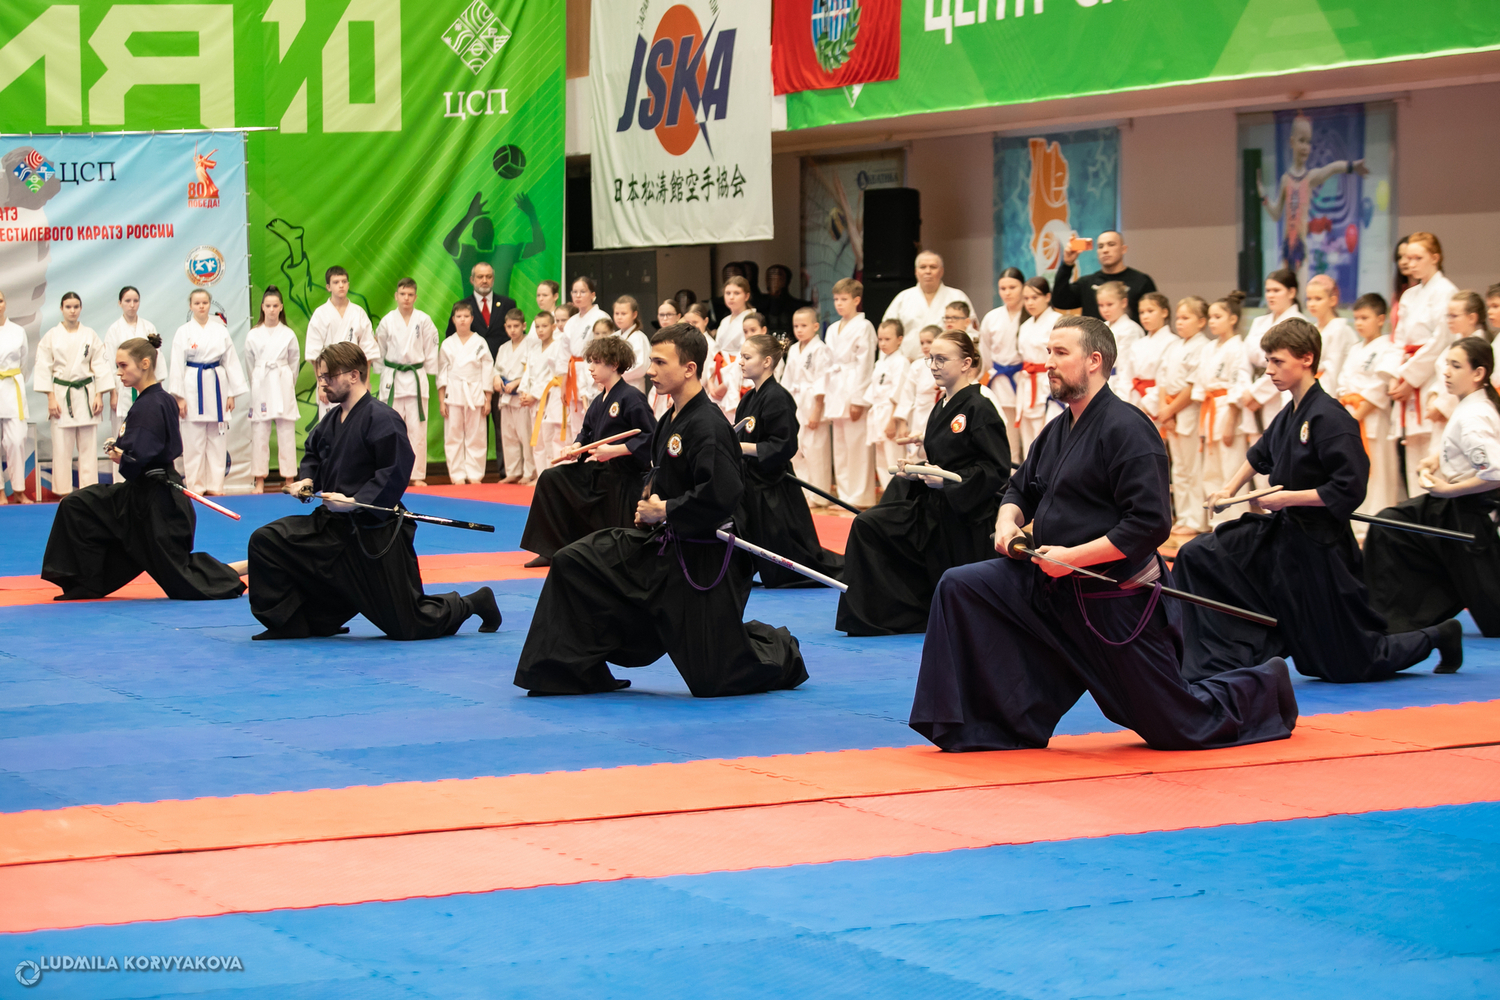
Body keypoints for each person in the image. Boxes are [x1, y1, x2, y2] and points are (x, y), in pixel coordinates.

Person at [908, 316, 1297, 753]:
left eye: (1060, 353)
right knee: (961, 586)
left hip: (1114, 598)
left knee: (1179, 725)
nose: (1048, 362)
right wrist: (1006, 521)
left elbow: (1149, 523)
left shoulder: (1127, 428)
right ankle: (987, 725)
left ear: (1094, 361)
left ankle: (1266, 684)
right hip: (1051, 584)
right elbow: (1021, 488)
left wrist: (1074, 558)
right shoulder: (1059, 428)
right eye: (1048, 352)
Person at [513, 323, 807, 698]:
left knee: (716, 680)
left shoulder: (708, 424)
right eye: (651, 361)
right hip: (661, 545)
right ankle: (569, 671)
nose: (650, 370)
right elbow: (661, 473)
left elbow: (722, 494)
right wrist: (649, 499)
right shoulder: (670, 418)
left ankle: (779, 647)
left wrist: (666, 509)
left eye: (659, 362)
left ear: (689, 368)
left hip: (702, 558)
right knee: (573, 561)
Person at [1174, 318, 1462, 684]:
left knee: (1348, 663)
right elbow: (1261, 453)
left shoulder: (1330, 416)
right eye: (1268, 361)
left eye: (1277, 361)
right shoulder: (1292, 411)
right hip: (1280, 535)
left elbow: (1349, 487)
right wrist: (1229, 489)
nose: (1269, 370)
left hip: (1320, 544)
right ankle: (1213, 657)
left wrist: (1288, 498)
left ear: (1306, 359)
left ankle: (1439, 635)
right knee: (1198, 556)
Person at [249, 342, 501, 640]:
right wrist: (307, 481)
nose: (323, 383)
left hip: (373, 531)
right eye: (321, 377)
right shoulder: (332, 419)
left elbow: (395, 469)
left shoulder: (382, 418)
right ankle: (296, 622)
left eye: (329, 376)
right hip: (331, 527)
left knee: (409, 625)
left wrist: (355, 501)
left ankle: (474, 602)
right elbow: (313, 454)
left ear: (354, 375)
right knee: (266, 541)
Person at [41, 332, 246, 601]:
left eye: (123, 365)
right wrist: (122, 451)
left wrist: (123, 457)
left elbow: (141, 456)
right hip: (139, 494)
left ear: (145, 364)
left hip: (157, 504)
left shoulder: (151, 403)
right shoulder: (155, 399)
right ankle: (87, 581)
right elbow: (145, 447)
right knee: (78, 505)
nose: (118, 372)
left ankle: (246, 565)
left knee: (183, 580)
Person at [837, 329, 1011, 636]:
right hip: (933, 505)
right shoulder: (942, 404)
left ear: (966, 363)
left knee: (870, 525)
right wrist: (916, 470)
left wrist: (947, 483)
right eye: (931, 358)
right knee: (868, 524)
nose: (934, 366)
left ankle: (902, 612)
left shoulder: (979, 406)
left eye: (942, 359)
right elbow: (944, 459)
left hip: (963, 515)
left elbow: (995, 469)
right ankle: (879, 612)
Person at [1364, 337, 1500, 639]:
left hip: (1468, 510)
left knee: (1495, 617)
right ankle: (1391, 617)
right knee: (1390, 524)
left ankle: (1398, 617)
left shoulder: (1474, 414)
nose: (1446, 372)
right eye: (1447, 364)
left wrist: (1447, 490)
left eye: (1456, 366)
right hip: (1457, 504)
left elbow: (1494, 474)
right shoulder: (1473, 406)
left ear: (1478, 373)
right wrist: (1435, 459)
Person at [519, 333, 654, 567]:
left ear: (614, 364)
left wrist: (616, 450)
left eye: (596, 362)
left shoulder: (632, 397)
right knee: (551, 478)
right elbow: (587, 432)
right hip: (600, 471)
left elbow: (650, 437)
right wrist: (576, 447)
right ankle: (551, 548)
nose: (590, 367)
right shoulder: (599, 399)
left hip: (624, 476)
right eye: (590, 361)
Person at [733, 333, 844, 587]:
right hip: (749, 483)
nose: (741, 362)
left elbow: (784, 445)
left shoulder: (777, 397)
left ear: (766, 362)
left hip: (773, 486)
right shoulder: (749, 398)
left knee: (794, 561)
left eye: (747, 357)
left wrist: (742, 448)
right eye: (741, 356)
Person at [1384, 233, 1458, 498]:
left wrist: (1409, 378)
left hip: (1432, 378)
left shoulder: (1447, 291)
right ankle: (1416, 515)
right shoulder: (1409, 295)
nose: (1411, 264)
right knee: (1411, 451)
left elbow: (1441, 342)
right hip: (1408, 372)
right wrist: (1395, 376)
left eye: (1418, 258)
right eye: (1408, 258)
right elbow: (1398, 340)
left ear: (1435, 258)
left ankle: (1435, 516)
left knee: (1431, 448)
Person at [1258, 113, 1368, 282]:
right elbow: (1276, 214)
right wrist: (1263, 197)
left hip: (1301, 251)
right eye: (1301, 141)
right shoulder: (1286, 180)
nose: (1305, 147)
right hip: (1286, 250)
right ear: (1292, 142)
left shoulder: (1309, 178)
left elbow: (1331, 168)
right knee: (1283, 287)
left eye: (1308, 142)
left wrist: (1352, 166)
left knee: (1300, 289)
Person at [1335, 293, 1402, 538]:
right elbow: (1342, 382)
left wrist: (1359, 413)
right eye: (1356, 318)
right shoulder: (1355, 349)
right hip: (1350, 413)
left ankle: (1380, 528)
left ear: (1381, 319)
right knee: (1355, 471)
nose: (1359, 323)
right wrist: (1348, 411)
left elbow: (1381, 385)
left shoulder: (1389, 347)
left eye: (1365, 318)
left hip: (1373, 418)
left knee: (1379, 472)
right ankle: (1358, 527)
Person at [168, 289, 246, 496]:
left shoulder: (220, 330)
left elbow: (231, 361)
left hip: (217, 383)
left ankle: (216, 485)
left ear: (210, 304)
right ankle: (195, 486)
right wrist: (179, 397)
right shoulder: (183, 332)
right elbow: (176, 365)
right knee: (193, 442)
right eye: (197, 303)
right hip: (192, 385)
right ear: (190, 306)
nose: (201, 306)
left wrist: (231, 394)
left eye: (204, 303)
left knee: (217, 443)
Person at [35, 292, 110, 497]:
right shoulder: (51, 336)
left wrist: (99, 395)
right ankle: (64, 493)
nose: (72, 310)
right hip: (61, 395)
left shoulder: (89, 335)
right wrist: (50, 398)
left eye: (76, 306)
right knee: (61, 449)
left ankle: (88, 492)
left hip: (86, 395)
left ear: (80, 308)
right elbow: (43, 368)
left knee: (88, 449)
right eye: (68, 307)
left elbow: (100, 365)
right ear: (61, 309)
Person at [1194, 291, 1253, 525]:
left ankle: (1236, 523)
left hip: (1228, 410)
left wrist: (1230, 420)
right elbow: (1201, 384)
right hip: (1209, 410)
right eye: (1210, 317)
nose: (1212, 321)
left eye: (1218, 317)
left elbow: (1239, 385)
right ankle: (1216, 522)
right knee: (1211, 471)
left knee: (1231, 469)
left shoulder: (1239, 347)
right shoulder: (1209, 348)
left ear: (1233, 319)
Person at [1155, 297, 1212, 537]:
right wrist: (1163, 409)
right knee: (1178, 469)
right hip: (1170, 409)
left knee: (1192, 468)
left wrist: (1170, 410)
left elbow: (1193, 385)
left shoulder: (1204, 346)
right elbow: (1162, 380)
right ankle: (1184, 515)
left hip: (1188, 410)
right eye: (1178, 318)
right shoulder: (1174, 346)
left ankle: (1197, 519)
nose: (1180, 322)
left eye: (1186, 318)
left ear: (1201, 321)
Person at [374, 278, 439, 487]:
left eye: (410, 294)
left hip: (415, 378)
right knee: (389, 430)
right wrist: (381, 371)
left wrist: (429, 370)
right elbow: (379, 350)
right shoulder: (387, 321)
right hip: (392, 378)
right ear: (396, 296)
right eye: (403, 294)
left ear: (416, 297)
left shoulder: (424, 320)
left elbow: (431, 348)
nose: (406, 298)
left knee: (417, 431)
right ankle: (389, 474)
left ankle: (417, 475)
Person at [825, 278, 877, 508]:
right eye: (836, 299)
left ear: (856, 300)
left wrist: (859, 400)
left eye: (843, 299)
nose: (839, 303)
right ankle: (844, 495)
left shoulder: (864, 326)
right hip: (836, 388)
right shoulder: (833, 328)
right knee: (841, 448)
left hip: (855, 386)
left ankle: (860, 496)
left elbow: (865, 365)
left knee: (857, 447)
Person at [1240, 269, 1305, 450]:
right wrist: (1247, 391)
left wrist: (1257, 393)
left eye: (1276, 290)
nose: (1270, 295)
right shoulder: (1258, 322)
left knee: (1278, 450)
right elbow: (1243, 360)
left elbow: (1286, 365)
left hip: (1279, 394)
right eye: (1268, 290)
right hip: (1251, 393)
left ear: (1291, 292)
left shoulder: (1298, 323)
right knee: (1256, 453)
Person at [245, 287, 301, 494]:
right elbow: (249, 364)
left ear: (281, 307)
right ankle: (259, 480)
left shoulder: (288, 334)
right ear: (262, 307)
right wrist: (257, 380)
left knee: (287, 433)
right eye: (268, 306)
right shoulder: (253, 334)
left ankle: (289, 478)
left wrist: (287, 381)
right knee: (259, 433)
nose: (271, 309)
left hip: (282, 380)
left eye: (275, 306)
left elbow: (294, 363)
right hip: (261, 380)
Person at [307, 266, 379, 421]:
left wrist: (366, 381)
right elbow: (314, 355)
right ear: (328, 287)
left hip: (354, 378)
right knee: (329, 424)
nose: (341, 285)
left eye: (344, 281)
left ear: (348, 284)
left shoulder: (358, 313)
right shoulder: (320, 314)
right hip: (329, 378)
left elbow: (367, 352)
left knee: (356, 422)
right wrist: (321, 384)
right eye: (336, 282)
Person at [436, 302, 495, 485]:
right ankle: (457, 475)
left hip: (475, 392)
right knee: (453, 436)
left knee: (476, 435)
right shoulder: (447, 344)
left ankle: (475, 474)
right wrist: (441, 401)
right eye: (459, 316)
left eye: (466, 316)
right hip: (453, 392)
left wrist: (488, 399)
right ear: (453, 320)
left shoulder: (480, 342)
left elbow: (487, 370)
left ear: (472, 319)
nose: (462, 320)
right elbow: (441, 373)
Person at [882, 252, 974, 360]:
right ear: (916, 272)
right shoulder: (902, 299)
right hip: (908, 364)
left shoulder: (957, 297)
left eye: (933, 267)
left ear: (941, 271)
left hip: (948, 363)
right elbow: (886, 334)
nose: (928, 271)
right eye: (923, 267)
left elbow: (971, 332)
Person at [1050, 230, 1158, 321]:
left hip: (1128, 337)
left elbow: (1153, 315)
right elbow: (1060, 301)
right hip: (1093, 338)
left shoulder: (1141, 281)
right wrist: (1067, 265)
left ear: (1123, 249)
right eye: (1101, 246)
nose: (1105, 250)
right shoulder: (1087, 282)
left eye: (1111, 244)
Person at [784, 306, 832, 507]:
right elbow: (787, 380)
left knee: (815, 450)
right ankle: (803, 493)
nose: (799, 330)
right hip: (795, 400)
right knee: (797, 451)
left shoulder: (821, 349)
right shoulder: (794, 349)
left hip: (812, 402)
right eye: (796, 326)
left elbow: (823, 380)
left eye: (804, 325)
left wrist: (817, 411)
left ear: (815, 326)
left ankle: (819, 495)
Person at [980, 268, 1027, 465]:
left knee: (1032, 438)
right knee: (1008, 440)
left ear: (1023, 287)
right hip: (999, 380)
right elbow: (985, 353)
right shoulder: (992, 317)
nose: (1007, 292)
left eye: (1012, 287)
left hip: (1026, 379)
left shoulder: (1031, 315)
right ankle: (1012, 479)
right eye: (1003, 288)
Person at [102, 286, 157, 447]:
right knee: (122, 437)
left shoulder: (149, 328)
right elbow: (109, 364)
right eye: (127, 301)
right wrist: (113, 394)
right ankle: (121, 463)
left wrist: (156, 391)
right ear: (120, 303)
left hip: (145, 386)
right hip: (123, 389)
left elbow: (156, 362)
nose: (132, 305)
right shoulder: (114, 330)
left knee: (146, 433)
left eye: (135, 301)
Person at [1015, 276, 1062, 457]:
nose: (1030, 303)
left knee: (1046, 437)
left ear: (1047, 297)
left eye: (1035, 297)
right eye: (1026, 298)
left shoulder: (1058, 321)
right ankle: (1028, 474)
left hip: (1048, 381)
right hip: (1027, 381)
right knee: (1027, 439)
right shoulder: (1025, 325)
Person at [520, 308, 570, 472]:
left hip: (548, 398)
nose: (540, 330)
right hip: (532, 399)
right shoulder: (534, 349)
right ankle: (540, 474)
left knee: (548, 438)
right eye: (537, 327)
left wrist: (535, 395)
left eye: (544, 326)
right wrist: (525, 392)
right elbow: (527, 373)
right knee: (537, 441)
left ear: (553, 327)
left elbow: (553, 376)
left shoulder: (557, 347)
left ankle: (550, 475)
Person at [561, 276, 611, 437]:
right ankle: (578, 451)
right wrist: (563, 383)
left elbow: (608, 349)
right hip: (573, 372)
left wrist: (605, 378)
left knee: (596, 417)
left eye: (583, 291)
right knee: (576, 422)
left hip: (593, 370)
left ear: (592, 294)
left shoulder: (601, 317)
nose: (578, 295)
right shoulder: (571, 321)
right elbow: (564, 354)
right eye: (574, 292)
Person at [492, 308, 536, 484]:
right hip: (505, 396)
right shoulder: (503, 347)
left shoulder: (531, 345)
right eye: (509, 326)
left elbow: (532, 370)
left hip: (521, 395)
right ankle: (512, 471)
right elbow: (496, 369)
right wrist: (496, 378)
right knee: (508, 436)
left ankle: (529, 471)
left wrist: (517, 382)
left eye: (516, 326)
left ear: (524, 325)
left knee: (525, 435)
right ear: (505, 327)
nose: (512, 330)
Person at [868, 319, 911, 489]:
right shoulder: (881, 362)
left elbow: (900, 392)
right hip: (878, 413)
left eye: (887, 339)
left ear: (899, 339)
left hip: (891, 414)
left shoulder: (901, 361)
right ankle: (887, 496)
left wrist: (893, 420)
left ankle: (897, 497)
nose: (883, 343)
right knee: (881, 461)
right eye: (880, 339)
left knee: (894, 459)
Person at [0, 290, 32, 502]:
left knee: (17, 439)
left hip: (12, 387)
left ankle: (19, 490)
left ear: (5, 303)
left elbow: (24, 363)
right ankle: (0, 492)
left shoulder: (18, 331)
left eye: (0, 300)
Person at [895, 325, 942, 462]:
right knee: (914, 453)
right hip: (918, 414)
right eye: (922, 343)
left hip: (937, 410)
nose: (925, 346)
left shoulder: (945, 363)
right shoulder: (916, 365)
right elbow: (907, 395)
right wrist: (902, 423)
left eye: (929, 342)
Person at [708, 276, 752, 421]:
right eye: (728, 293)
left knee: (735, 419)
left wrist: (725, 384)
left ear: (746, 296)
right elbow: (715, 353)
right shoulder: (725, 321)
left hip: (737, 375)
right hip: (718, 372)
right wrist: (711, 381)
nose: (731, 297)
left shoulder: (751, 319)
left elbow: (747, 353)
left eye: (736, 293)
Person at [1126, 291, 1174, 415]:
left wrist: (1146, 407)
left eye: (1150, 311)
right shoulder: (1137, 344)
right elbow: (1126, 376)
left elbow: (1165, 380)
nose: (1145, 316)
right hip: (1134, 400)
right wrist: (1125, 403)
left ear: (1164, 312)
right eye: (1142, 312)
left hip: (1156, 403)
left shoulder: (1172, 342)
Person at [1306, 275, 1355, 395]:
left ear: (1332, 300)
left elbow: (1333, 372)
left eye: (1318, 299)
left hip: (1329, 393)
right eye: (1309, 299)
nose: (1312, 304)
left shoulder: (1340, 329)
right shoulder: (1312, 329)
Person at [1097, 280, 1144, 400]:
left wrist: (1122, 398)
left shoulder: (1130, 329)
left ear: (1123, 303)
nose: (1105, 310)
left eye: (1109, 304)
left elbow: (1126, 368)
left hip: (1120, 385)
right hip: (1101, 383)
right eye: (1101, 305)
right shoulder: (1102, 327)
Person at [610, 295, 653, 394]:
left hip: (633, 386)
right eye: (616, 313)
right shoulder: (613, 337)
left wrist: (615, 374)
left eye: (623, 314)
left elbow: (641, 367)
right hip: (613, 385)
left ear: (634, 315)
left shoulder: (639, 338)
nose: (619, 317)